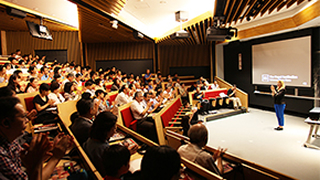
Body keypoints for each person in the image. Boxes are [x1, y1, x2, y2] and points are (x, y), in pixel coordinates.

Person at [0, 97, 73, 180]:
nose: (27, 120)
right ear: (5, 123)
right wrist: (56, 156)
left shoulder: (11, 141)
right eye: (23, 116)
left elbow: (31, 166)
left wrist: (49, 150)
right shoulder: (1, 154)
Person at [83, 112, 138, 177]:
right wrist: (126, 154)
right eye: (113, 128)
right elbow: (115, 169)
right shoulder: (102, 149)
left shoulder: (91, 140)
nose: (115, 131)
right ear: (105, 131)